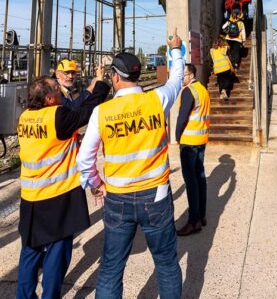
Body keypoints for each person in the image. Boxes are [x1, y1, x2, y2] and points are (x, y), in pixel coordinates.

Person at [77, 28, 184, 299]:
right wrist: (175, 49)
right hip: (156, 196)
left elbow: (85, 159)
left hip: (118, 198)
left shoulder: (102, 112)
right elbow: (177, 78)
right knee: (167, 264)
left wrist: (95, 184)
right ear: (137, 74)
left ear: (114, 77)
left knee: (112, 267)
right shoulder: (156, 100)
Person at [16, 67, 109, 299]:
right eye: (57, 90)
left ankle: (24, 296)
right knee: (57, 252)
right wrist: (100, 84)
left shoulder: (25, 116)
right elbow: (86, 111)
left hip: (30, 197)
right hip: (57, 197)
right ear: (49, 98)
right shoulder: (57, 116)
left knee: (30, 250)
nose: (60, 93)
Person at [175, 64, 210, 236]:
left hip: (189, 142)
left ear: (191, 75)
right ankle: (202, 215)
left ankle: (193, 221)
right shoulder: (202, 90)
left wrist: (176, 136)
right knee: (200, 178)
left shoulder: (188, 91)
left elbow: (182, 118)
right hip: (201, 139)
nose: (182, 79)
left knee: (191, 182)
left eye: (183, 76)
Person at [210, 36, 234, 100]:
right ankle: (224, 89)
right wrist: (231, 66)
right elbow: (229, 58)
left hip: (217, 69)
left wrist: (212, 69)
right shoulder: (225, 48)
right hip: (225, 67)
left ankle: (221, 94)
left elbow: (212, 60)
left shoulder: (212, 50)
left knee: (220, 80)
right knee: (227, 79)